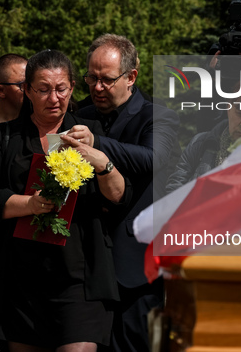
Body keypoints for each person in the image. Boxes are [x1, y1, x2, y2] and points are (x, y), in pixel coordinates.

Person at [0, 49, 129, 352]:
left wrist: (102, 162)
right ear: (27, 90)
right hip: (20, 280)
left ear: (72, 87)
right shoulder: (1, 138)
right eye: (43, 90)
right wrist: (29, 204)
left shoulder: (92, 131)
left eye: (61, 89)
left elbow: (119, 196)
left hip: (79, 279)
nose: (53, 98)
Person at [77, 34, 180, 352]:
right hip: (84, 266)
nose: (96, 87)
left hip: (135, 270)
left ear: (131, 76)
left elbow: (153, 159)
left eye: (106, 80)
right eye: (91, 78)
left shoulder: (158, 116)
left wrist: (97, 145)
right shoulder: (80, 114)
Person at [0, 53, 28, 128]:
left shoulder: (43, 123)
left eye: (31, 83)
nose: (30, 90)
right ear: (0, 90)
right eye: (22, 85)